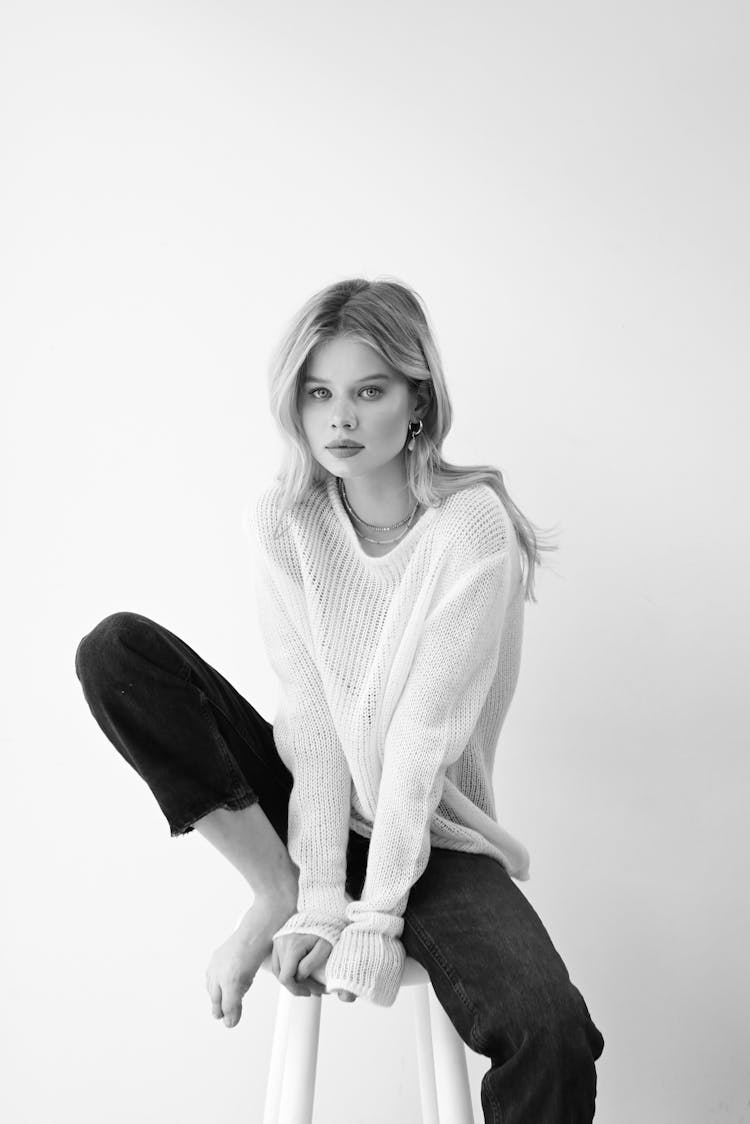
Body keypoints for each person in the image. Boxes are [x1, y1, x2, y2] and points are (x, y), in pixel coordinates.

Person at [74, 277, 605, 1122]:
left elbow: (420, 743)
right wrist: (319, 897)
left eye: (369, 391)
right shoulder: (284, 521)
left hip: (429, 828)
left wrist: (375, 915)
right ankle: (273, 886)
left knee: (552, 1033)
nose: (341, 419)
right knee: (118, 653)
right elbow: (314, 723)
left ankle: (323, 890)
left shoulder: (470, 529)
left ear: (418, 399)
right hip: (307, 801)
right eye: (320, 394)